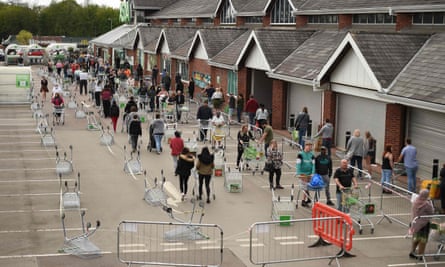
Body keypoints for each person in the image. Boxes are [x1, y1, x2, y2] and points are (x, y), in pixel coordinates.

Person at [409, 189, 434, 260]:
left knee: (416, 238)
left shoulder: (415, 201)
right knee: (423, 240)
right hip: (424, 225)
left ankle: (412, 251)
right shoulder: (426, 204)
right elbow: (431, 213)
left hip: (414, 223)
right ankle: (420, 255)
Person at [297, 140, 316, 207]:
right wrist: (298, 173)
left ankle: (308, 198)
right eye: (309, 146)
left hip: (309, 173)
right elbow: (298, 164)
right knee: (305, 186)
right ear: (305, 146)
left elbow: (313, 164)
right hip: (303, 174)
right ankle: (303, 200)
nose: (310, 148)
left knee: (307, 186)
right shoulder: (300, 154)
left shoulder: (312, 155)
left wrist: (313, 173)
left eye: (311, 147)